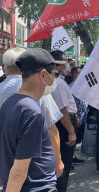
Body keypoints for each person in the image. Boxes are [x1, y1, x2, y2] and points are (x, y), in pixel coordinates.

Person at [0, 48, 62, 192]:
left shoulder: (10, 103)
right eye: (54, 74)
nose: (54, 79)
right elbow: (19, 172)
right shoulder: (32, 111)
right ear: (43, 74)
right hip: (36, 187)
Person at [50, 50, 78, 192]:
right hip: (64, 125)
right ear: (57, 64)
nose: (67, 63)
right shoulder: (58, 83)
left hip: (63, 122)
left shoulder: (57, 82)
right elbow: (63, 110)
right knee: (63, 165)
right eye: (64, 60)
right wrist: (71, 132)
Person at [70, 67, 87, 165]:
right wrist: (76, 118)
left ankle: (73, 157)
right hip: (75, 118)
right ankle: (70, 160)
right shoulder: (72, 88)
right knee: (72, 138)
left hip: (82, 117)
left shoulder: (82, 87)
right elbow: (71, 106)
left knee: (77, 139)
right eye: (80, 73)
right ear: (75, 75)